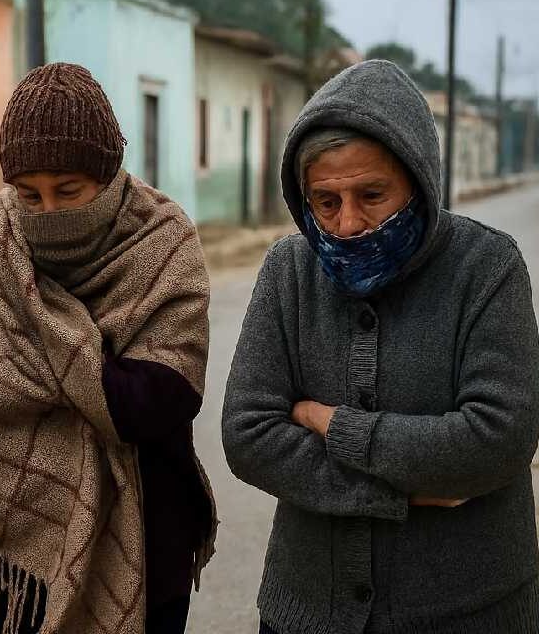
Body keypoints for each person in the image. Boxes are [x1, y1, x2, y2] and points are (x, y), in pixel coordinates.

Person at [222, 60, 539, 634]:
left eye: (372, 194)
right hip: (308, 614)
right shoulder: (289, 271)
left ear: (420, 182)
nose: (348, 225)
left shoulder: (487, 267)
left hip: (469, 614)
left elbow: (499, 440)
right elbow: (249, 436)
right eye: (325, 202)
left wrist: (334, 426)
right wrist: (405, 490)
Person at [0, 63, 217, 634]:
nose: (48, 211)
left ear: (108, 176)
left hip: (151, 538)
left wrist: (44, 349)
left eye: (68, 191)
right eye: (29, 194)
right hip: (17, 562)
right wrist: (100, 371)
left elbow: (156, 401)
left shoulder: (164, 239)